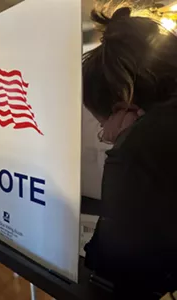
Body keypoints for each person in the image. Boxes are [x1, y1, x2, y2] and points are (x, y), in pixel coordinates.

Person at [82, 6, 177, 298]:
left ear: (125, 106)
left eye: (104, 127)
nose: (107, 138)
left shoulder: (139, 147)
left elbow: (114, 270)